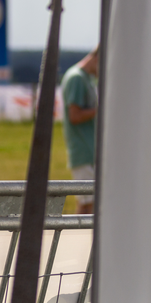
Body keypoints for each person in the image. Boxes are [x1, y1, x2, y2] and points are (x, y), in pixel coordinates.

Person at [60, 46, 99, 214]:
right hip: (83, 150)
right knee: (88, 206)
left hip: (89, 150)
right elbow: (74, 116)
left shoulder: (85, 78)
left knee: (88, 203)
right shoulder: (76, 78)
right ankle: (80, 240)